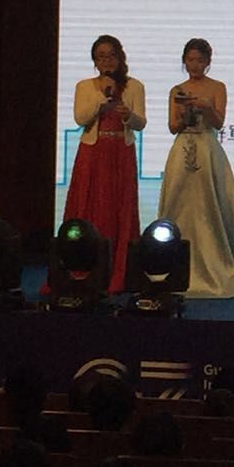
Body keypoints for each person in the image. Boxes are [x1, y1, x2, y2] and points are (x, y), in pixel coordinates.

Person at [156, 38, 234, 298]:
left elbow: (219, 123)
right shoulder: (177, 90)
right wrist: (184, 113)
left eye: (200, 60)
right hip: (182, 150)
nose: (195, 65)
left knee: (212, 207)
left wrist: (207, 107)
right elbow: (172, 127)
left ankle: (217, 270)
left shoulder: (217, 87)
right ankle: (170, 269)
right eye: (190, 60)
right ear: (184, 61)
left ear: (208, 62)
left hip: (207, 149)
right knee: (178, 206)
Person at [65, 35, 146, 295]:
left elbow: (140, 123)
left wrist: (128, 115)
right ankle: (83, 266)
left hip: (121, 152)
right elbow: (80, 118)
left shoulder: (134, 86)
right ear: (94, 61)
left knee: (120, 208)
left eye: (111, 56)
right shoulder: (85, 86)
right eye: (100, 57)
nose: (106, 61)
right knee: (89, 204)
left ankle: (120, 270)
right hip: (93, 152)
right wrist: (101, 101)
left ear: (120, 57)